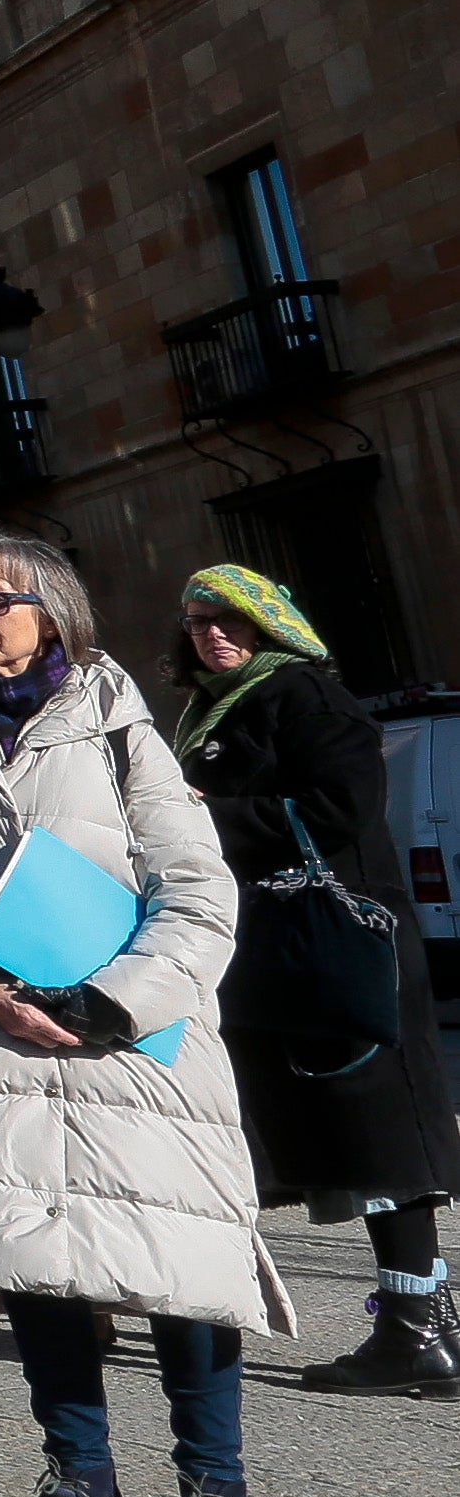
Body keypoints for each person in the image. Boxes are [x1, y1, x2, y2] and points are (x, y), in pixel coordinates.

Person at [0, 537, 292, 1497]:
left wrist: (116, 999)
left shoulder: (117, 724)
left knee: (183, 1253)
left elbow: (193, 886)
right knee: (34, 1255)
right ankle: (76, 1468)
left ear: (49, 612)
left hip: (134, 1037)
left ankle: (212, 1479)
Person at [171, 566, 460, 1394]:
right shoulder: (214, 707)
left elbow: (339, 808)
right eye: (195, 621)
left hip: (340, 945)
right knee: (335, 1138)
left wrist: (202, 813)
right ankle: (415, 1325)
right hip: (281, 952)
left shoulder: (305, 696)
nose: (210, 633)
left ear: (271, 625)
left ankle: (418, 1328)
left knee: (379, 1137)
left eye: (228, 619)